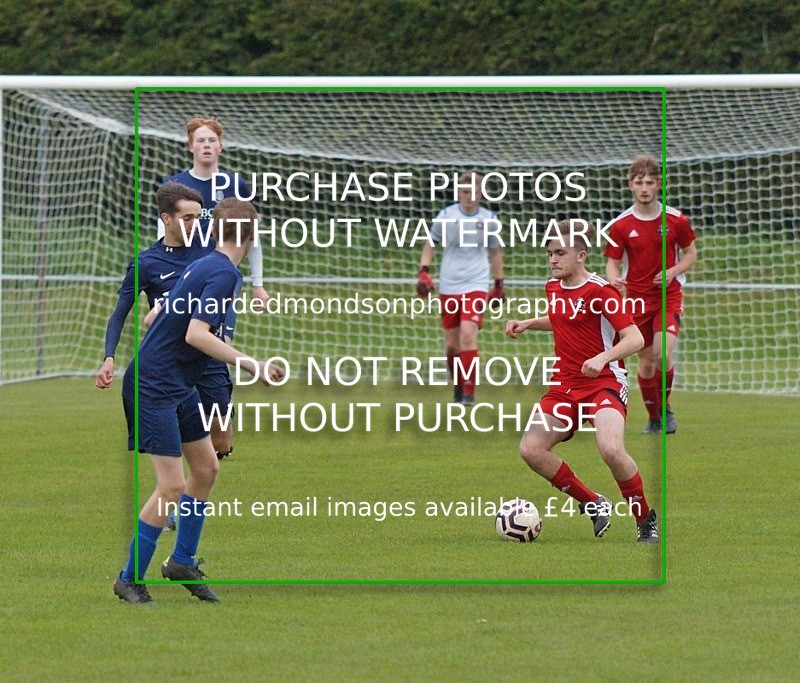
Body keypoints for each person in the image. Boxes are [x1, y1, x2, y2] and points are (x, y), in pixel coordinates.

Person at [113, 197, 284, 605]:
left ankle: (182, 562)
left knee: (206, 468)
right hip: (153, 384)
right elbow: (196, 334)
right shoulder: (222, 273)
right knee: (171, 485)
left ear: (213, 231)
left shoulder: (205, 265)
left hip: (176, 381)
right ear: (251, 235)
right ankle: (128, 578)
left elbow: (157, 317)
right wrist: (251, 364)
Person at [505, 220, 658, 543]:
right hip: (564, 385)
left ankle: (645, 519)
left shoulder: (601, 291)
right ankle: (592, 502)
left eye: (560, 253)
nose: (553, 260)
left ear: (581, 256)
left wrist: (603, 358)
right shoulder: (553, 287)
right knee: (531, 449)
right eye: (549, 254)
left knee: (611, 448)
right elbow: (564, 320)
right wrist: (529, 323)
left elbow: (635, 338)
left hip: (604, 382)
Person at [97, 182, 241, 464]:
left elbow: (231, 287)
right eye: (187, 218)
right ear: (166, 219)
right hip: (169, 359)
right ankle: (183, 482)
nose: (194, 224)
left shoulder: (210, 252)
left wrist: (227, 333)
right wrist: (109, 357)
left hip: (208, 354)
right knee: (185, 448)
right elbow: (119, 314)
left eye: (198, 218)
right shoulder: (145, 263)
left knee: (222, 440)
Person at [604, 156, 697, 434]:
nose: (644, 188)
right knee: (645, 363)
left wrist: (673, 271)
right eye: (638, 183)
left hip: (668, 297)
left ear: (659, 184)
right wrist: (613, 279)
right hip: (636, 300)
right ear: (630, 185)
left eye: (649, 182)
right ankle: (654, 417)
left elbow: (691, 255)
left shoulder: (676, 220)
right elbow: (612, 261)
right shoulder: (620, 225)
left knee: (661, 353)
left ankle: (664, 408)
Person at [159, 116, 269, 307]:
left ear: (220, 147)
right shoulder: (173, 185)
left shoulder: (235, 185)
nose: (206, 145)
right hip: (183, 273)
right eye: (200, 141)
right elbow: (163, 233)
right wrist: (163, 275)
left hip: (224, 276)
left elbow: (251, 235)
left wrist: (257, 283)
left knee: (220, 335)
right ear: (191, 147)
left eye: (212, 140)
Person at [417, 172, 505, 405]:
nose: (469, 196)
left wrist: (498, 284)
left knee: (468, 334)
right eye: (465, 192)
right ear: (458, 193)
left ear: (481, 193)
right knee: (452, 345)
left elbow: (495, 253)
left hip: (476, 283)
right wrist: (423, 271)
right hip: (449, 284)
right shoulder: (446, 216)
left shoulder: (489, 219)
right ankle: (458, 386)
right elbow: (430, 243)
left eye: (474, 192)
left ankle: (469, 393)